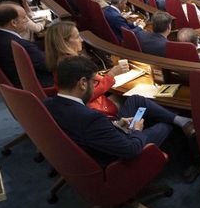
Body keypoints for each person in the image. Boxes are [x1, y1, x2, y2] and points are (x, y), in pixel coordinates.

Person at [43, 57, 178, 167]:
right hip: (116, 159)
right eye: (94, 82)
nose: (94, 86)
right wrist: (137, 130)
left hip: (103, 140)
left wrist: (117, 124)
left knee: (135, 100)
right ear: (83, 83)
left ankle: (181, 121)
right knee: (165, 125)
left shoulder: (48, 104)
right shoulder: (91, 119)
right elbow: (131, 150)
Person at [0, 3, 52, 88]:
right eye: (24, 17)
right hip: (40, 84)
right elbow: (48, 65)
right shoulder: (21, 45)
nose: (27, 20)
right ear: (14, 23)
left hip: (19, 82)